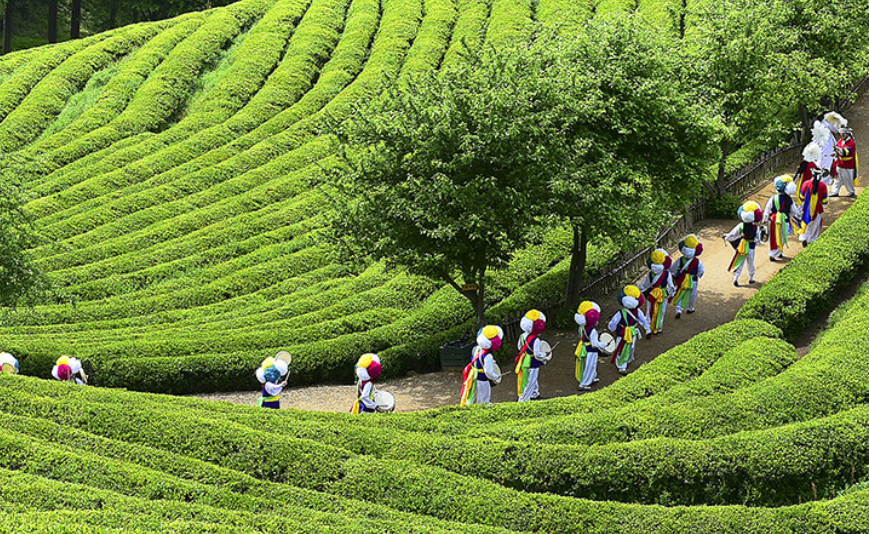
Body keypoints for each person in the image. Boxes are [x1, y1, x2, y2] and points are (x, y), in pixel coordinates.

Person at [608, 285, 651, 376]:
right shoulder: (620, 313)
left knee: (631, 347)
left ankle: (628, 359)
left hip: (632, 332)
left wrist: (647, 329)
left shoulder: (637, 311)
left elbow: (643, 319)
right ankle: (622, 366)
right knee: (621, 346)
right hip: (623, 332)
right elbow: (614, 322)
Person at [460, 325, 503, 405]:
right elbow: (488, 372)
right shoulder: (488, 356)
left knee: (472, 397)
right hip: (483, 380)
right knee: (484, 400)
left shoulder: (476, 348)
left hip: (473, 378)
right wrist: (496, 376)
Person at [637, 249, 675, 335]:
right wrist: (671, 294)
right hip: (663, 294)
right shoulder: (667, 274)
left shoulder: (650, 274)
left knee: (649, 310)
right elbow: (671, 286)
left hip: (652, 293)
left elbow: (644, 284)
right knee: (661, 311)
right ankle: (658, 328)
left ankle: (648, 327)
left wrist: (638, 290)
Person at [724, 201, 763, 287]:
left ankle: (736, 278)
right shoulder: (756, 227)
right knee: (751, 262)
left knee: (739, 262)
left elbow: (733, 234)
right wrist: (758, 243)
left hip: (742, 245)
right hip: (751, 247)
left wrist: (727, 237)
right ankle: (751, 278)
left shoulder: (741, 225)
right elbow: (757, 238)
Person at [762, 175, 801, 261]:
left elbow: (767, 209)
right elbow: (793, 211)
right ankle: (775, 253)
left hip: (773, 220)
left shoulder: (773, 198)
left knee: (773, 237)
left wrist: (764, 220)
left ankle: (777, 252)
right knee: (782, 237)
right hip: (784, 220)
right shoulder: (789, 199)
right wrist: (795, 216)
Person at [798, 143, 829, 247]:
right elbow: (825, 201)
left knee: (806, 222)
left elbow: (801, 197)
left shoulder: (805, 184)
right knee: (815, 226)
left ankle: (804, 237)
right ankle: (811, 240)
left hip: (806, 208)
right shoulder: (823, 186)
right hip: (817, 209)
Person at [516, 309, 547, 402]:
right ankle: (524, 399)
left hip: (524, 359)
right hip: (533, 361)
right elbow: (537, 354)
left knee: (529, 378)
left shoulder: (522, 336)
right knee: (531, 380)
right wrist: (545, 355)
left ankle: (535, 393)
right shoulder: (536, 340)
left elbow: (519, 347)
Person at [669, 234, 704, 318]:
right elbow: (701, 271)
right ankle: (690, 308)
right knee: (692, 294)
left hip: (682, 278)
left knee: (680, 292)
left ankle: (678, 309)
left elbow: (673, 268)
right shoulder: (697, 261)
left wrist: (673, 275)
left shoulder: (680, 260)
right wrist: (699, 275)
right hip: (693, 279)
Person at [575, 301, 604, 391]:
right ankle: (584, 384)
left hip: (584, 347)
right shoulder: (593, 331)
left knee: (589, 364)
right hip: (591, 350)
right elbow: (595, 344)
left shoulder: (581, 327)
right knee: (590, 365)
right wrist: (603, 344)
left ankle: (593, 377)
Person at [831, 127, 858, 198]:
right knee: (837, 179)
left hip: (848, 164)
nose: (841, 135)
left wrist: (838, 150)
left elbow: (844, 152)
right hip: (839, 163)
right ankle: (835, 192)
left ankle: (851, 192)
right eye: (841, 134)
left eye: (843, 134)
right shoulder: (840, 141)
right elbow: (838, 150)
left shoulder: (851, 143)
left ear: (847, 134)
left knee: (847, 179)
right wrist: (835, 153)